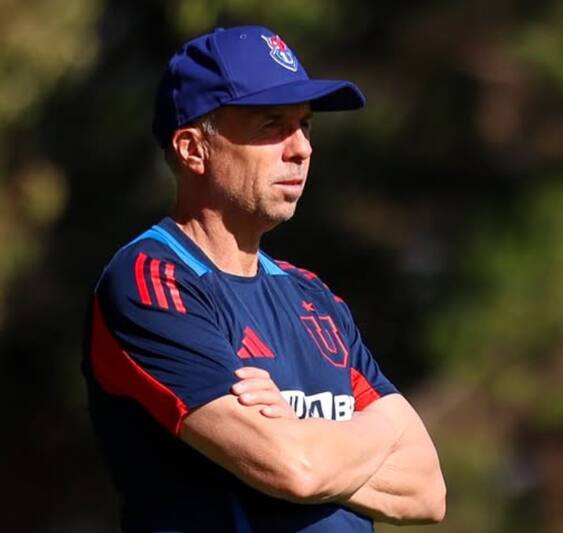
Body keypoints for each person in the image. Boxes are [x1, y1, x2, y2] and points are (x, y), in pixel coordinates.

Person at [82, 24, 446, 532]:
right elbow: (291, 469)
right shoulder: (149, 280)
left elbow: (426, 490)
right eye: (272, 124)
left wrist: (302, 433)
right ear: (193, 149)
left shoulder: (313, 297)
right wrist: (386, 426)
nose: (301, 149)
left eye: (305, 125)